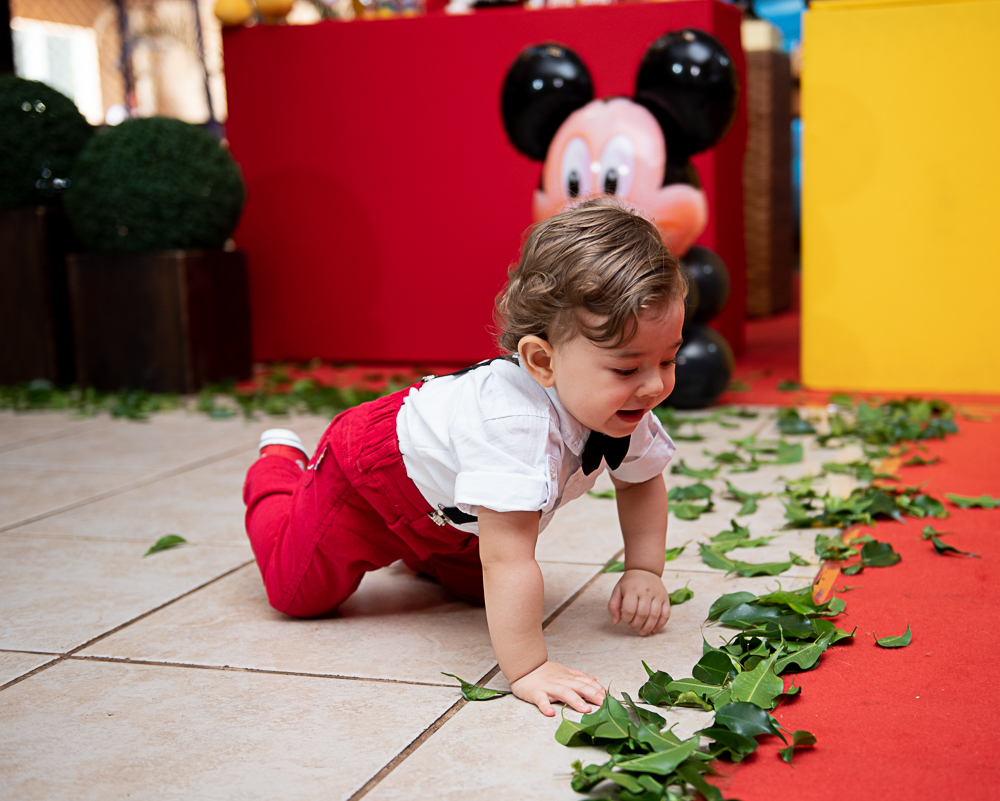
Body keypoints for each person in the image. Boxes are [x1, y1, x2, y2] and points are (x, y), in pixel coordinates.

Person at [243, 198, 686, 717]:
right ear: (542, 361)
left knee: (485, 597)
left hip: (453, 513)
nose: (655, 385)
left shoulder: (624, 406)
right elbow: (508, 557)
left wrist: (644, 569)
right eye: (627, 368)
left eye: (668, 358)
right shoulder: (515, 428)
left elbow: (640, 483)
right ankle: (279, 466)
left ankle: (421, 552)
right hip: (368, 479)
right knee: (298, 594)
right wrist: (527, 667)